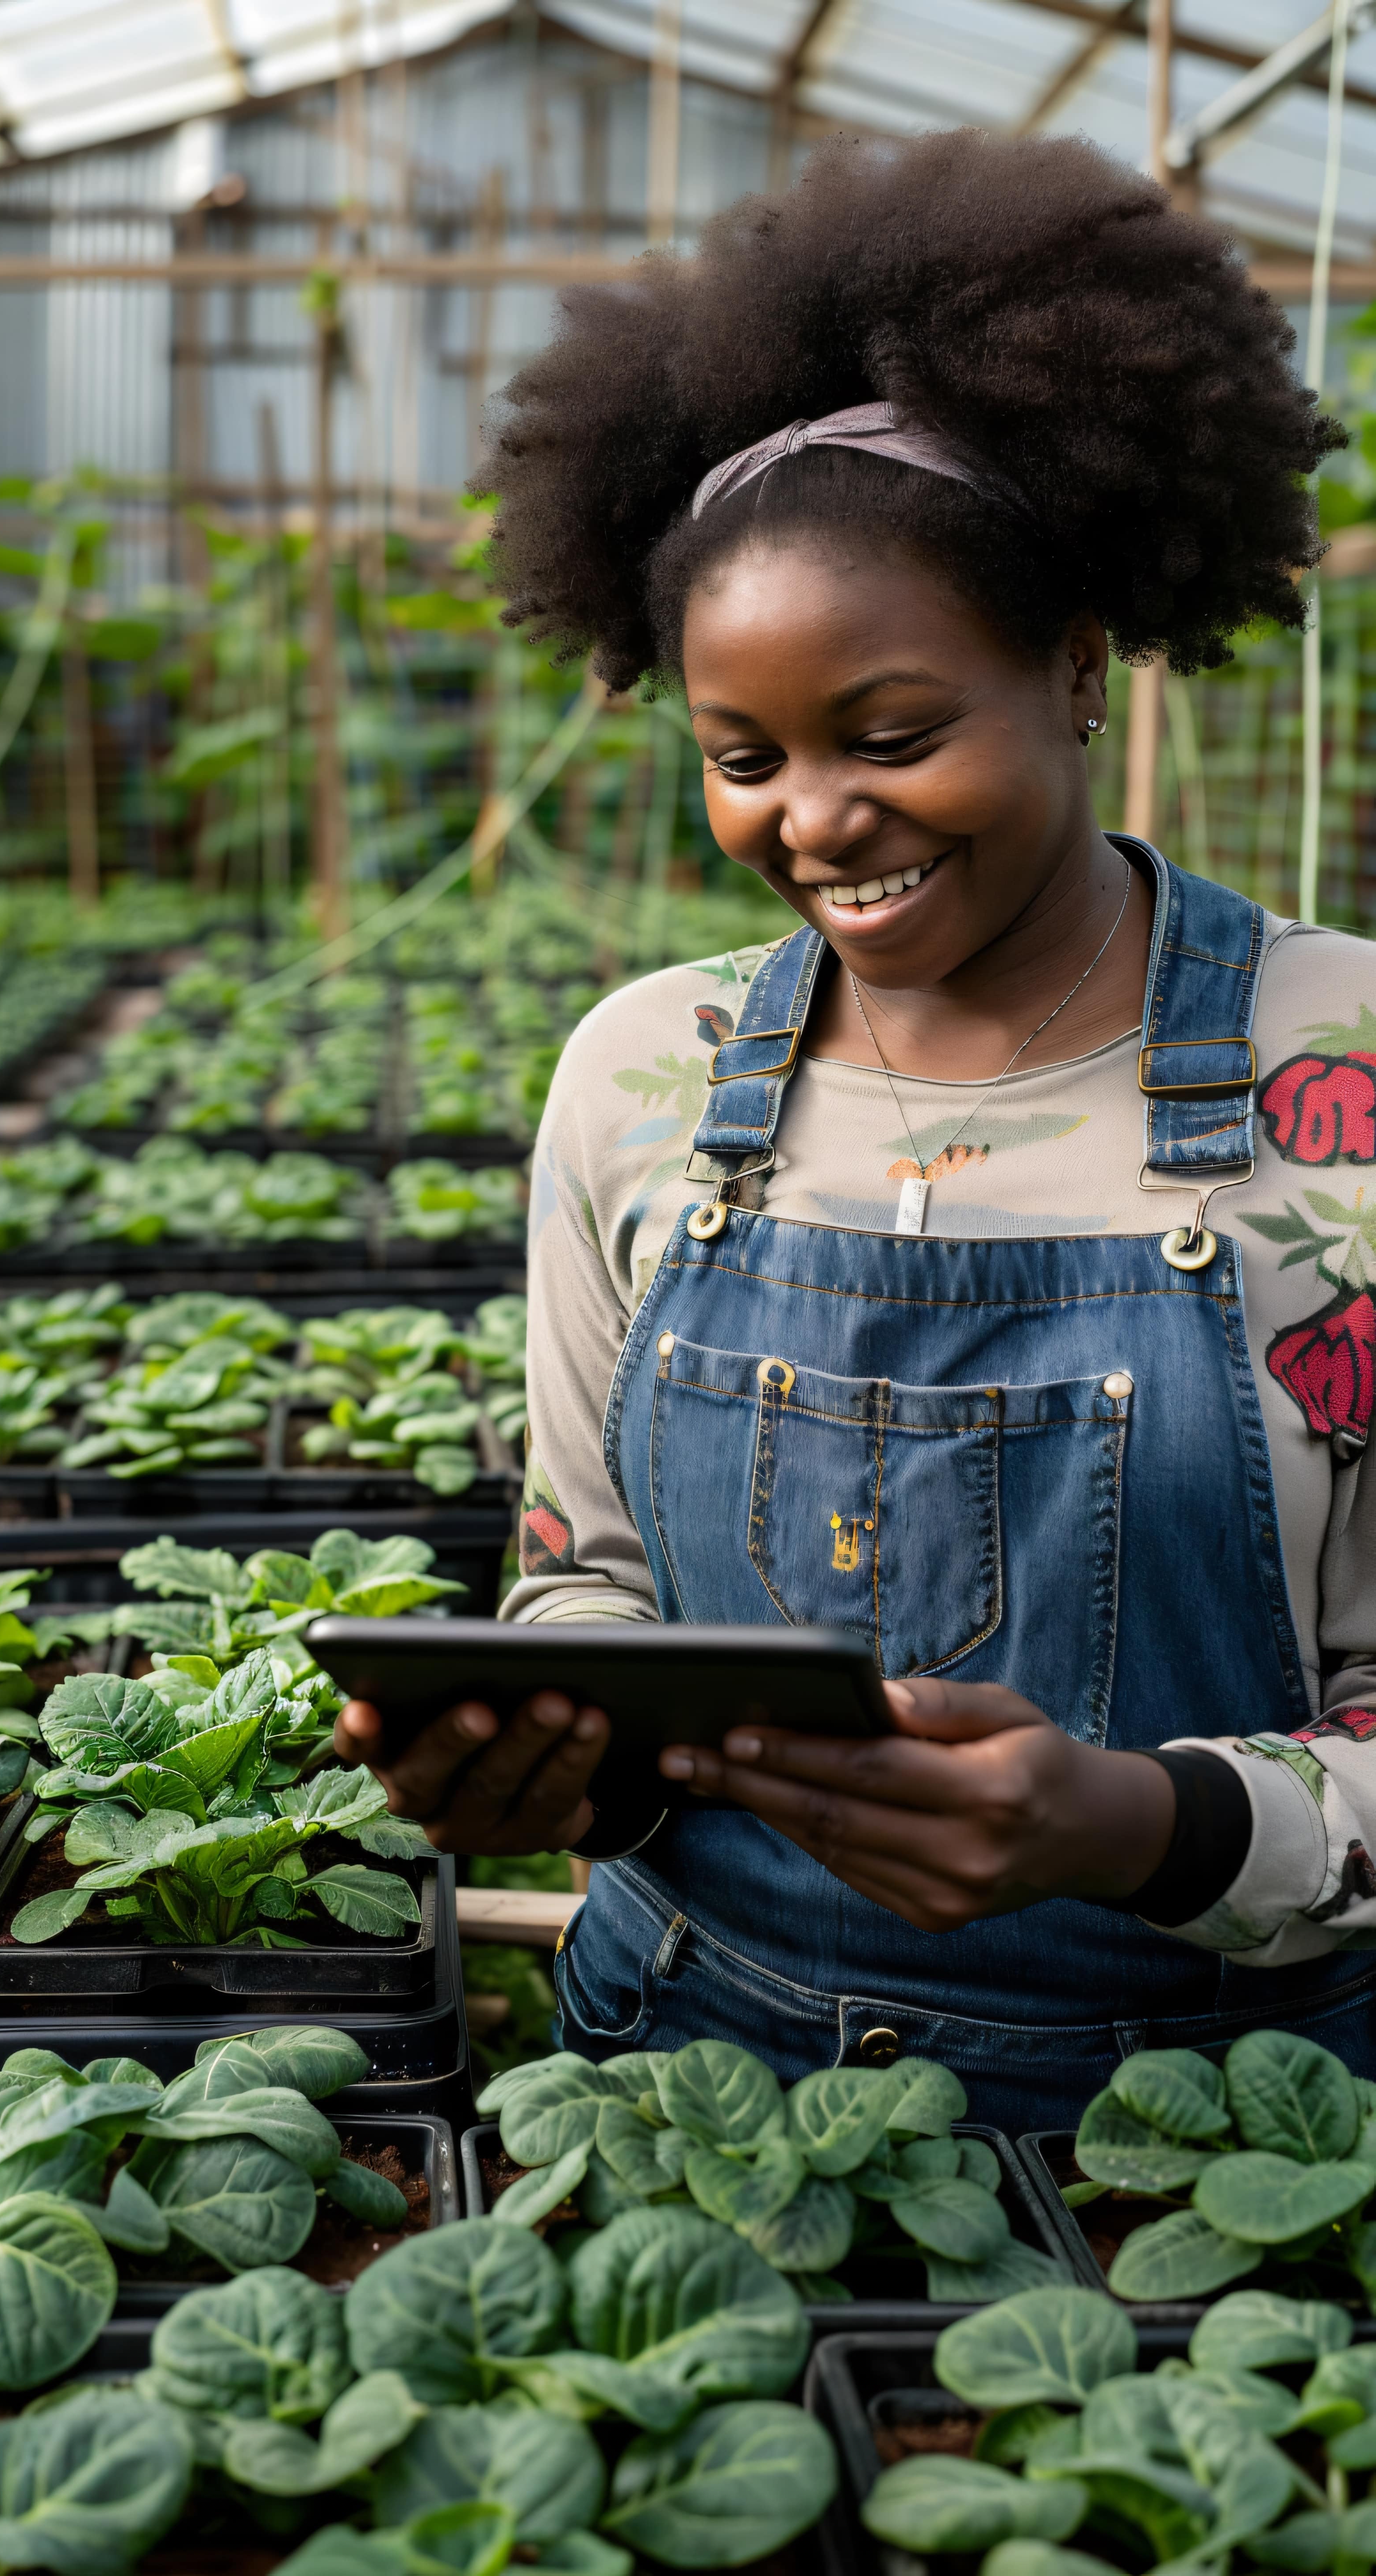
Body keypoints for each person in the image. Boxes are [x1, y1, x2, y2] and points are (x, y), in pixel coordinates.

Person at [338, 128, 1376, 2131]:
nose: (811, 818)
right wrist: (560, 1740)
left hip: (1213, 2130)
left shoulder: (1334, 1069)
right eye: (745, 757)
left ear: (1075, 670)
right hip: (686, 2090)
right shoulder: (650, 1076)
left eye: (892, 736)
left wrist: (1137, 1823)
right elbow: (588, 1571)